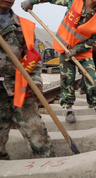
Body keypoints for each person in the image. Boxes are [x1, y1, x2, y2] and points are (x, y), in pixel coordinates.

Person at [22, 0, 96, 123]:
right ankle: (68, 109)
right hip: (64, 47)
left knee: (92, 78)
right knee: (66, 80)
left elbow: (93, 40)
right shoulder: (74, 2)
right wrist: (32, 1)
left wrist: (77, 50)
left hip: (83, 52)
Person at [0, 0, 55, 159]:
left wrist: (36, 82)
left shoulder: (24, 26)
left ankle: (49, 167)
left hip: (21, 87)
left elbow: (34, 60)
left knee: (37, 134)